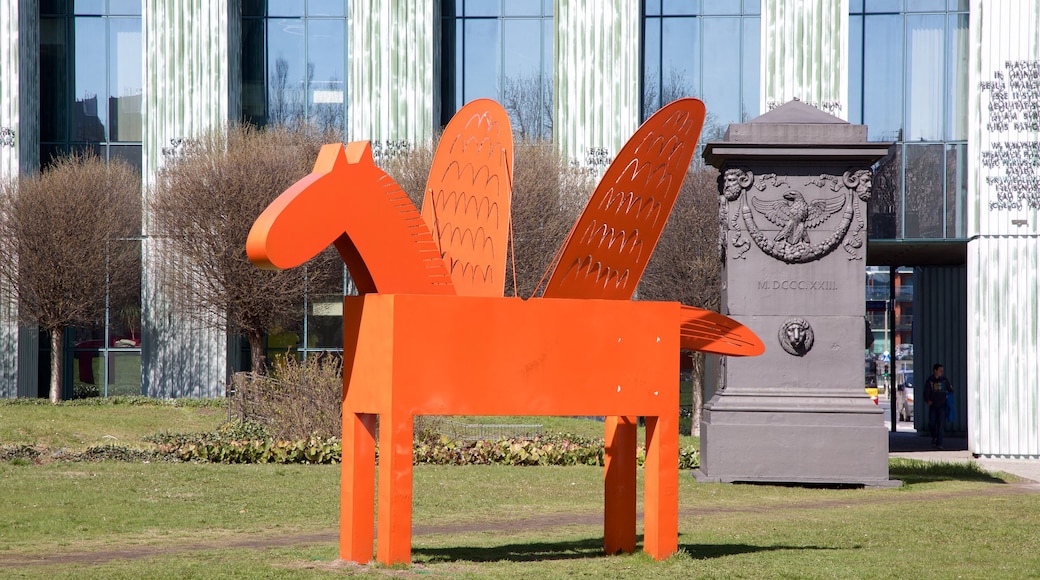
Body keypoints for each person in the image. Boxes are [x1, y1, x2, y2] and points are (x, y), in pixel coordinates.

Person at [924, 363, 954, 449]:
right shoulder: (930, 381)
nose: (941, 372)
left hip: (942, 405)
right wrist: (927, 400)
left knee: (941, 425)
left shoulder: (944, 380)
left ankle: (939, 443)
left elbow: (950, 389)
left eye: (942, 371)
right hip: (933, 404)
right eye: (940, 370)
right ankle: (934, 436)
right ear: (935, 371)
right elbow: (926, 392)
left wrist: (950, 390)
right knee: (932, 423)